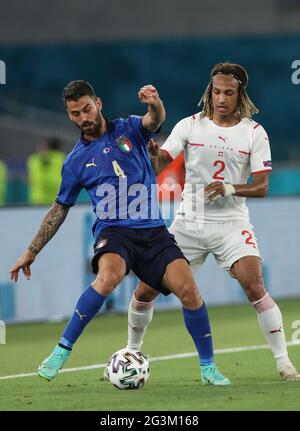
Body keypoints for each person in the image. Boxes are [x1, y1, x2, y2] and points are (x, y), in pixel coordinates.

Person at [9, 80, 229, 385]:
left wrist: (153, 102)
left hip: (153, 231)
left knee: (190, 291)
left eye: (86, 108)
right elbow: (59, 209)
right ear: (70, 116)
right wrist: (30, 252)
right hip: (115, 232)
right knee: (108, 277)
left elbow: (156, 120)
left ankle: (208, 368)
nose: (83, 117)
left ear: (98, 103)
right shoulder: (74, 162)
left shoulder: (129, 129)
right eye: (75, 113)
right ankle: (62, 350)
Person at [126, 62, 300, 382]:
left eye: (228, 93)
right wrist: (152, 156)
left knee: (255, 286)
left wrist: (230, 188)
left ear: (239, 95)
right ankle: (130, 352)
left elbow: (261, 186)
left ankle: (284, 362)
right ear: (210, 91)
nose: (221, 98)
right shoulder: (189, 126)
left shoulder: (254, 133)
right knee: (146, 289)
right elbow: (160, 163)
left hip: (232, 222)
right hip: (189, 223)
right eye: (217, 91)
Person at [27, 138, 65, 205]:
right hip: (55, 198)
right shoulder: (62, 158)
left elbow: (32, 179)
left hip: (38, 198)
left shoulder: (34, 159)